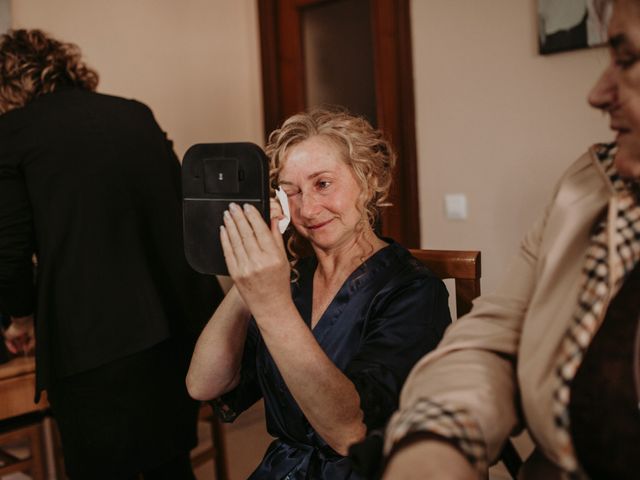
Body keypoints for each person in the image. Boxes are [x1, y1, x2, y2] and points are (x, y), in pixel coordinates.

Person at [381, 0, 640, 478]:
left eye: (626, 60)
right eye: (288, 188)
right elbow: (495, 338)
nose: (597, 93)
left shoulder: (402, 284)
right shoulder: (587, 185)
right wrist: (433, 447)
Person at [0, 29, 223, 479]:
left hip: (92, 343)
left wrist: (21, 319)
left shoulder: (12, 134)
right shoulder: (135, 114)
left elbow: (9, 254)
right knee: (170, 465)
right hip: (176, 326)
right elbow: (180, 212)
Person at [186, 108, 452, 479]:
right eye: (291, 191)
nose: (307, 209)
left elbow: (349, 433)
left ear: (369, 179)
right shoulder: (290, 279)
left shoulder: (413, 291)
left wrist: (270, 303)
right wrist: (247, 284)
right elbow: (203, 384)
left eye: (323, 184)